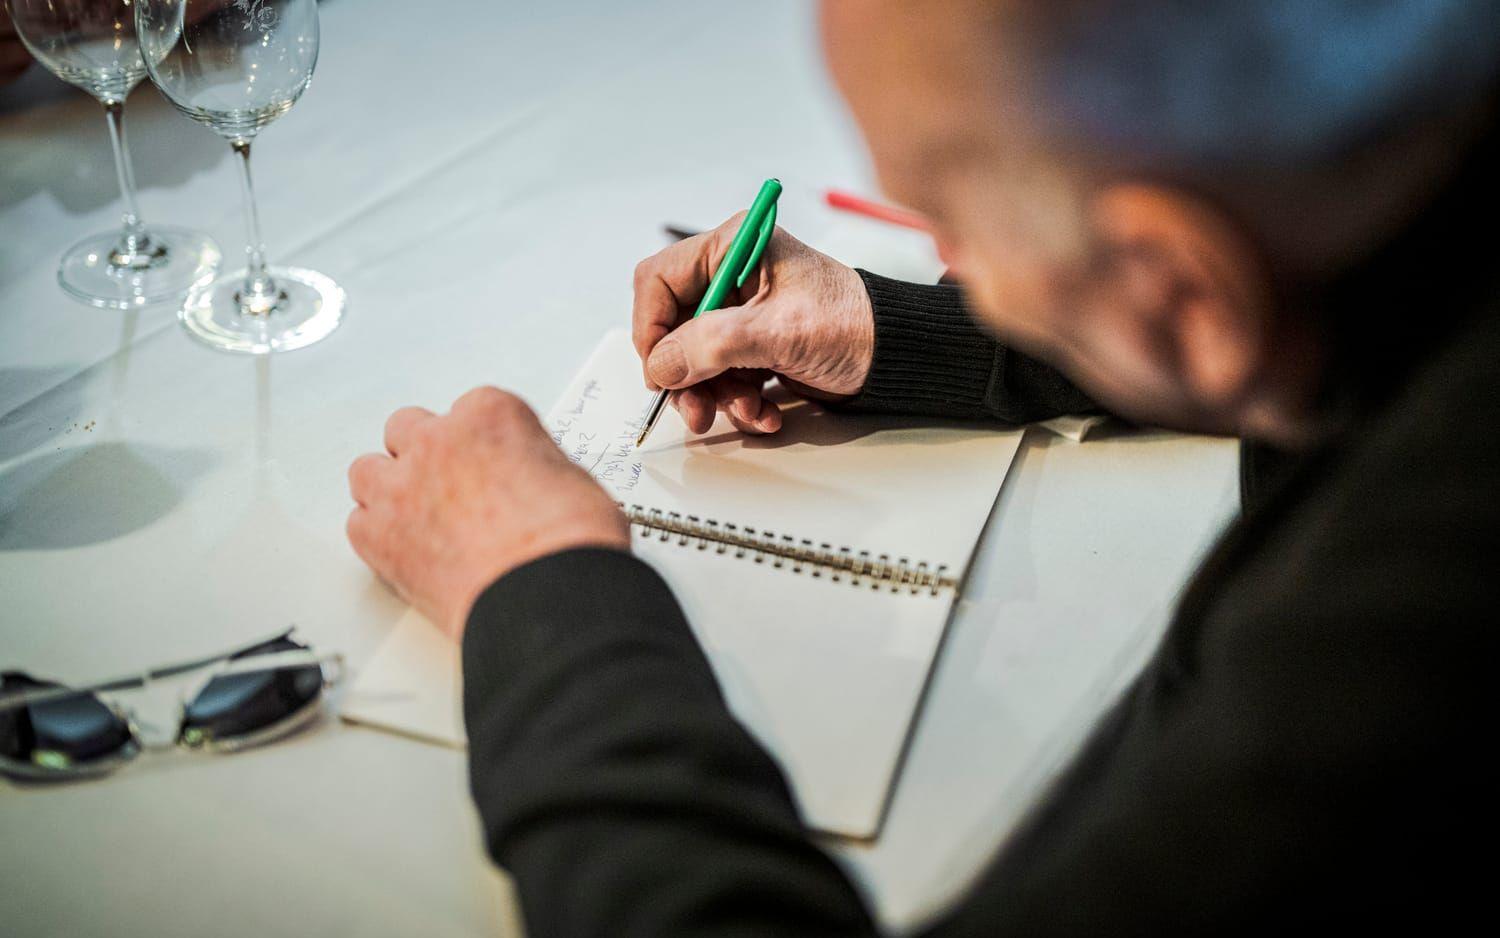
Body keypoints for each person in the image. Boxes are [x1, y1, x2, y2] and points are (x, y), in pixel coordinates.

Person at [346, 1, 1499, 933]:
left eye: (949, 220)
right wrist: (892, 329)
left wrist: (543, 594)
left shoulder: (1406, 638)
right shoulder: (1411, 179)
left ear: (1178, 291)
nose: (941, 257)